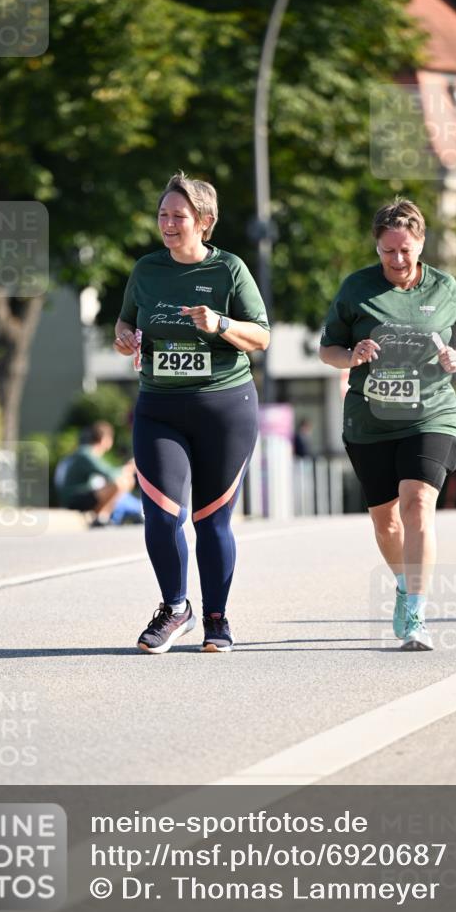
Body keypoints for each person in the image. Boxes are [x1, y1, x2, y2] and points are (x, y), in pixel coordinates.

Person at [114, 172, 270, 654]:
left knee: (210, 520)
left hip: (224, 407)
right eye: (162, 214)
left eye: (177, 216)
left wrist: (221, 323)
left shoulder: (229, 271)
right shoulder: (146, 270)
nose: (167, 223)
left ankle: (217, 618)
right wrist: (123, 337)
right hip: (160, 406)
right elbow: (126, 321)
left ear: (204, 221)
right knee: (161, 515)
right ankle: (174, 607)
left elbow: (262, 337)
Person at [319, 197, 456, 651]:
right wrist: (351, 356)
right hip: (370, 421)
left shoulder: (444, 289)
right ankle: (407, 586)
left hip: (431, 413)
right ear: (377, 247)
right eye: (388, 251)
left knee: (417, 504)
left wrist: (455, 357)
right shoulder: (357, 289)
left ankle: (415, 614)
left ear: (421, 243)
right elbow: (327, 349)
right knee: (387, 523)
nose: (397, 259)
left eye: (405, 249)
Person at [54, 421, 143, 527]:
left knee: (122, 481)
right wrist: (129, 467)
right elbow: (110, 474)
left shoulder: (81, 452)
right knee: (122, 482)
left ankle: (102, 517)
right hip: (74, 499)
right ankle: (101, 517)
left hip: (72, 497)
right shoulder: (86, 454)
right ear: (104, 439)